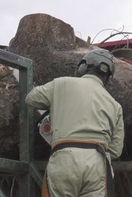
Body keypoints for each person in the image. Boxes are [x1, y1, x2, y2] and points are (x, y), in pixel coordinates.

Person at [25, 49, 124, 197]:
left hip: (65, 159)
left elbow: (31, 98)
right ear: (107, 77)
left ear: (83, 67)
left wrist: (55, 103)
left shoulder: (61, 83)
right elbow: (116, 150)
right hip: (97, 164)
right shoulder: (115, 106)